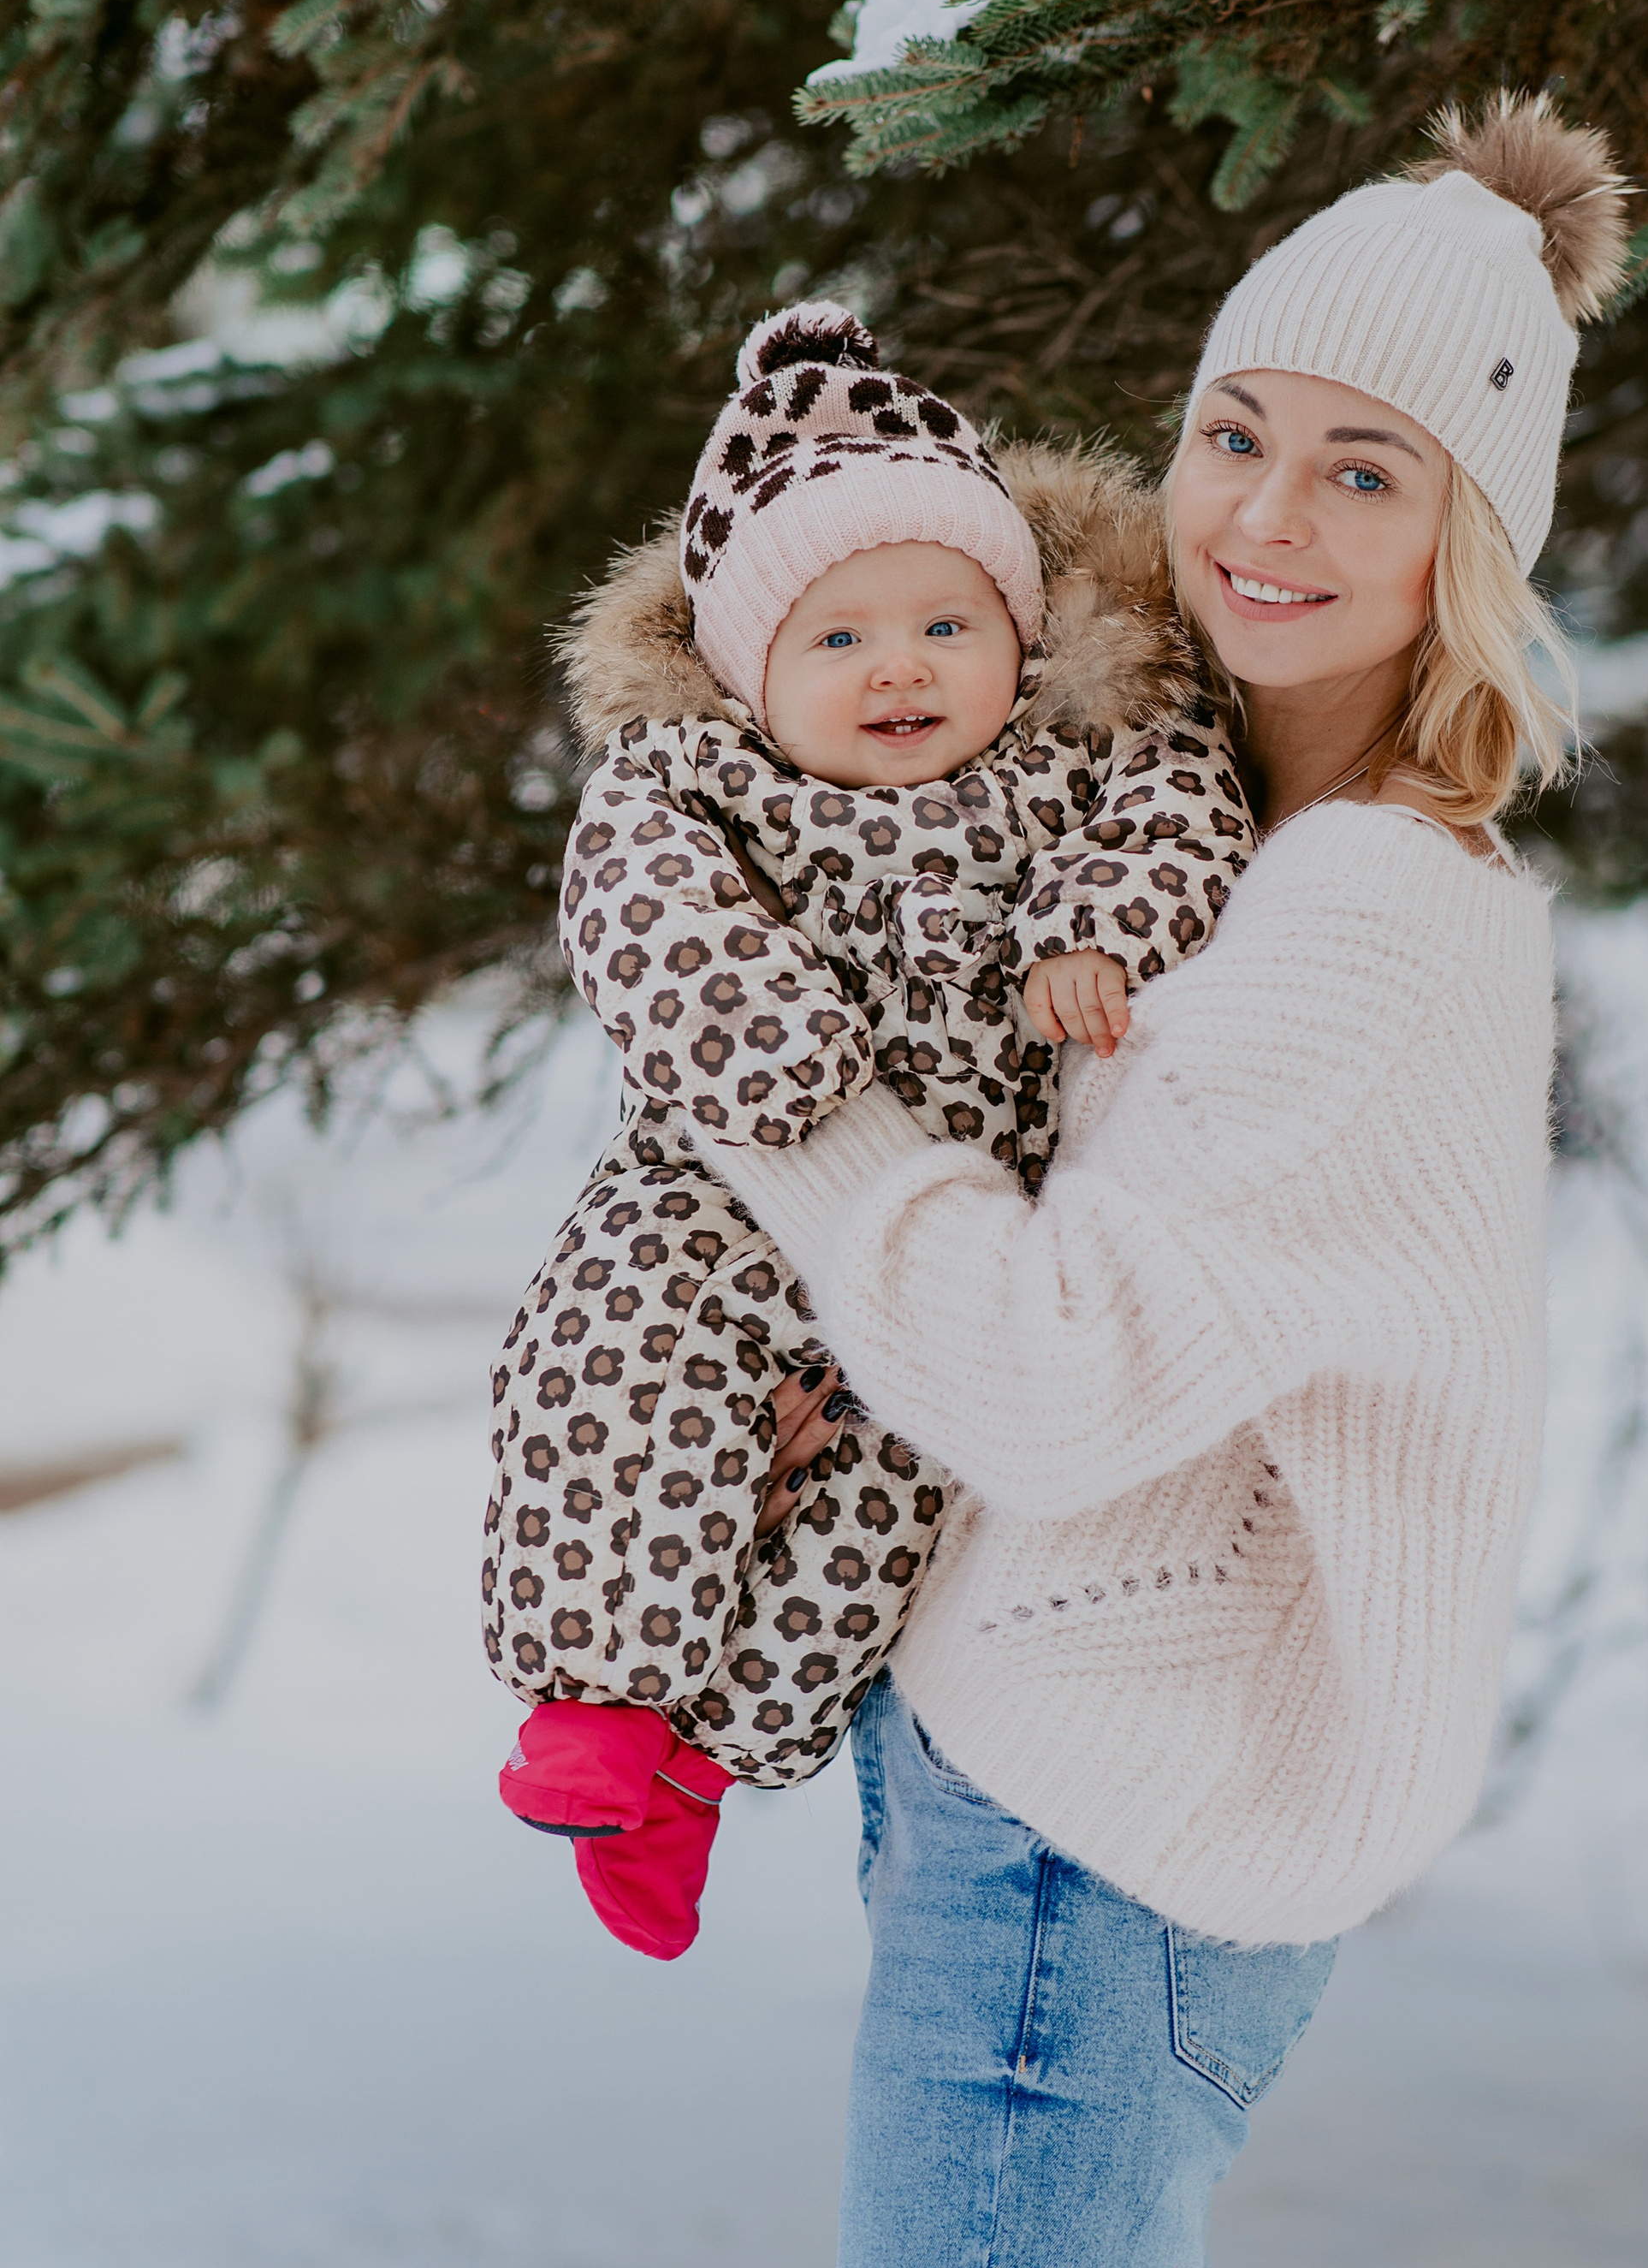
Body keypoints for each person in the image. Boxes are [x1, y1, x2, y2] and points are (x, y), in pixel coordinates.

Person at [714, 90, 1631, 2268]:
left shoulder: (1366, 912)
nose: (1265, 512)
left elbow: (1057, 1370)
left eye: (1366, 470)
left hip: (1085, 1852)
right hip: (1080, 1826)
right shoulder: (1219, 846)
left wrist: (782, 1106)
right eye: (1237, 431)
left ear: (1469, 542)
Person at [481, 304, 1253, 1956]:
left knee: (889, 1505)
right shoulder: (699, 776)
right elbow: (640, 903)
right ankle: (601, 1703)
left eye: (944, 623)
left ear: (1020, 636)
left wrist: (1098, 925)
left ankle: (705, 1768)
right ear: (750, 672)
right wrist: (763, 1041)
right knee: (613, 1371)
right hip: (710, 1198)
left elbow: (1185, 801)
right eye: (837, 637)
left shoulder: (1077, 755)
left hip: (958, 1236)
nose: (899, 666)